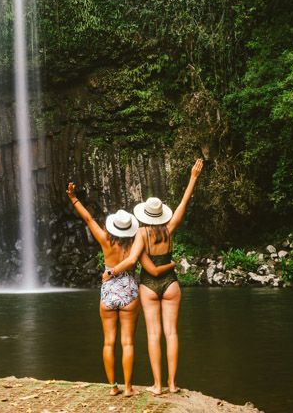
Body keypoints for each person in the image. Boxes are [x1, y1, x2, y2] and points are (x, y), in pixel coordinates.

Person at [104, 158, 204, 395]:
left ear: (145, 215)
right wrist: (193, 178)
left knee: (153, 334)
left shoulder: (140, 233)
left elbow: (131, 261)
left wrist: (112, 272)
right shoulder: (170, 230)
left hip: (149, 286)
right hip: (171, 284)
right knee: (172, 333)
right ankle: (172, 384)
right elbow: (183, 204)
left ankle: (158, 386)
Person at [67, 183, 176, 396]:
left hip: (108, 291)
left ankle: (112, 387)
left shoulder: (104, 239)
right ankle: (128, 388)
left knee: (108, 341)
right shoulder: (137, 240)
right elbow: (145, 261)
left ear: (113, 226)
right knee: (128, 342)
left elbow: (88, 219)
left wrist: (73, 198)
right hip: (129, 292)